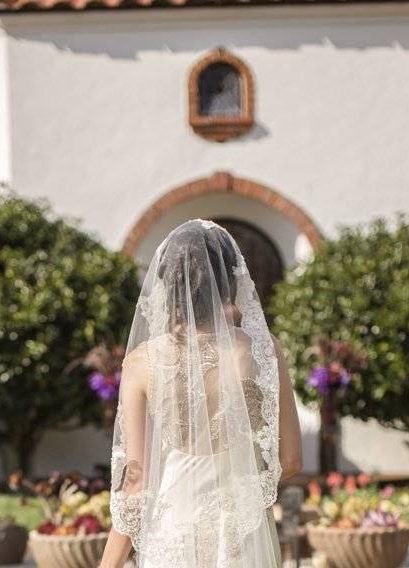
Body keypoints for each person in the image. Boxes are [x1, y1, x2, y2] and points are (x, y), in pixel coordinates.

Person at [99, 219, 302, 568]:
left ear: (167, 284)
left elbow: (136, 483)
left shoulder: (141, 363)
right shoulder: (264, 350)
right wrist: (244, 487)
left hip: (173, 536)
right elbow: (292, 459)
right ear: (231, 280)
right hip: (243, 537)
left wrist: (107, 566)